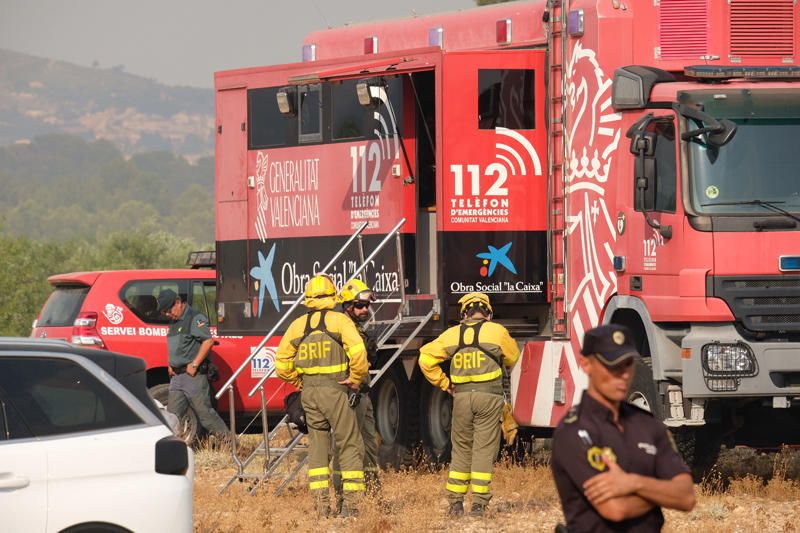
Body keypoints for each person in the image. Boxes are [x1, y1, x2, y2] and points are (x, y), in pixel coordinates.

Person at [551, 324, 696, 532]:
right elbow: (615, 509)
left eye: (628, 364)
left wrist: (633, 483)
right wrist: (662, 492)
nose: (624, 374)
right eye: (612, 366)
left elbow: (687, 496)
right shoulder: (574, 431)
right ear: (586, 364)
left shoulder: (647, 424)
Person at [274, 274, 369, 518]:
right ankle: (351, 507)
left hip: (310, 394)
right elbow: (358, 354)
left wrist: (300, 382)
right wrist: (356, 379)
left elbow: (281, 365)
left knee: (317, 448)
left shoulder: (298, 325)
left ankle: (321, 507)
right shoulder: (340, 321)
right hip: (337, 390)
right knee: (349, 444)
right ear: (332, 295)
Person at [418, 292, 520, 517]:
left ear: (463, 313)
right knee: (483, 449)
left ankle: (455, 503)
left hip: (461, 398)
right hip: (489, 399)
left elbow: (424, 359)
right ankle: (479, 505)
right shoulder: (497, 331)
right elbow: (513, 357)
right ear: (488, 312)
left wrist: (445, 384)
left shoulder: (451, 334)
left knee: (461, 448)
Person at [332, 278, 380, 511]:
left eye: (366, 306)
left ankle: (373, 493)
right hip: (349, 394)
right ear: (347, 306)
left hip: (363, 394)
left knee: (369, 443)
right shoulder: (342, 328)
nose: (364, 310)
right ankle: (343, 496)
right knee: (346, 446)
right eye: (359, 306)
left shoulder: (356, 329)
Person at [157, 289, 229, 442]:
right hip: (177, 377)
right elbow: (176, 347)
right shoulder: (174, 322)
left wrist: (195, 364)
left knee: (205, 414)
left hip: (193, 376)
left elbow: (208, 341)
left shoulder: (195, 318)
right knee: (172, 417)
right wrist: (171, 364)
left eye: (168, 310)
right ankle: (172, 449)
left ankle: (232, 444)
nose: (168, 314)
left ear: (178, 302)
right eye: (164, 312)